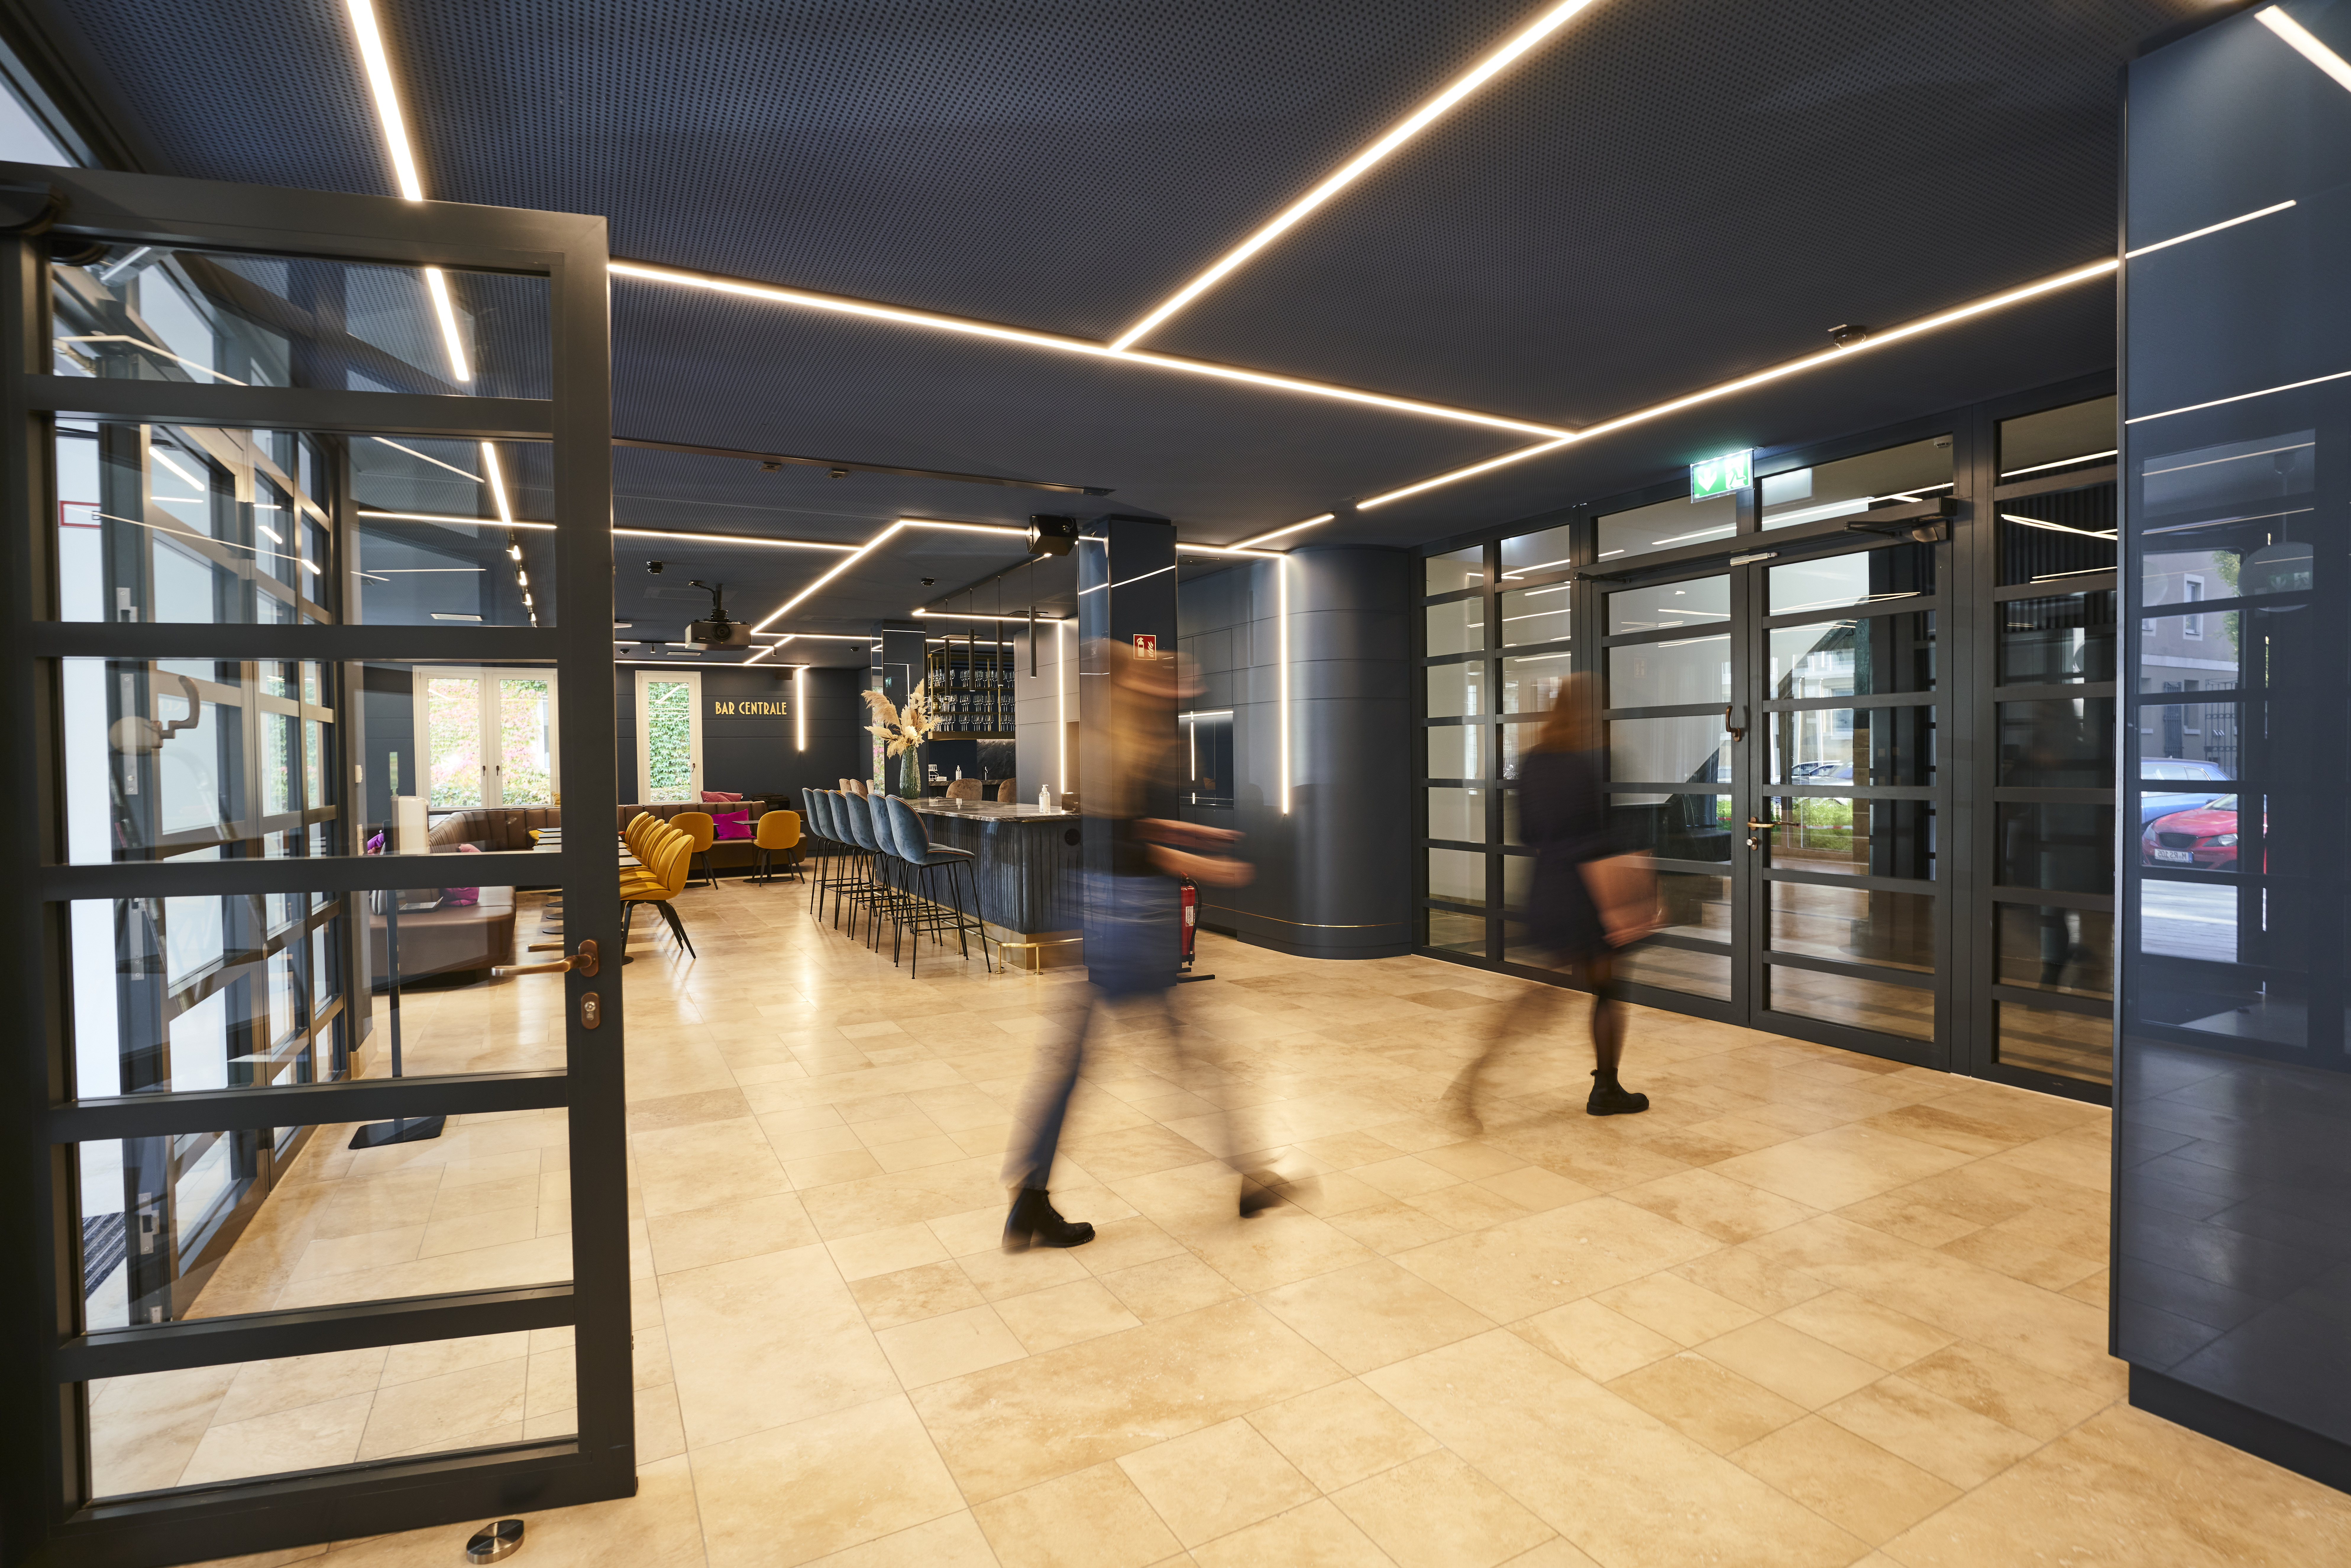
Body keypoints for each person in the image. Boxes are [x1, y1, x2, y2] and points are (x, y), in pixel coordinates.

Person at [1001, 643, 1259, 1250]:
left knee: (1076, 1063)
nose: (1184, 682)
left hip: (1103, 909)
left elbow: (1129, 828)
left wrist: (1190, 835)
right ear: (1141, 683)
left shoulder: (1117, 737)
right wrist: (1206, 866)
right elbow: (1131, 847)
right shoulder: (1133, 740)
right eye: (1169, 675)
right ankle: (1249, 1174)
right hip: (1131, 919)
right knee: (1195, 1054)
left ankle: (1030, 1193)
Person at [1445, 674, 1652, 1129]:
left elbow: (1527, 832)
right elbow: (1606, 834)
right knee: (1607, 990)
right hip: (1590, 891)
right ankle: (1606, 1088)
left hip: (1548, 886)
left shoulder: (1532, 760)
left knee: (1542, 991)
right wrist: (1625, 897)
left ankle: (1481, 1067)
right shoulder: (1597, 759)